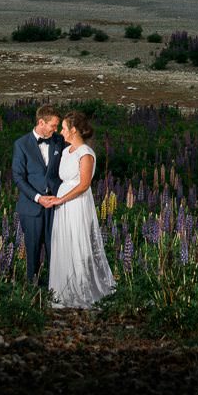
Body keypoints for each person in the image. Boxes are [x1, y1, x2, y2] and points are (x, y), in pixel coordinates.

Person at [44, 109, 116, 308]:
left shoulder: (86, 153)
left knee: (78, 242)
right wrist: (55, 197)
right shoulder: (67, 151)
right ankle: (63, 292)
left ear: (74, 130)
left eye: (65, 128)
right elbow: (64, 179)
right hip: (63, 202)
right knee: (64, 242)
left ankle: (83, 288)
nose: (61, 132)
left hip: (76, 204)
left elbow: (83, 185)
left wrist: (62, 199)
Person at [12, 103, 64, 286]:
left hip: (57, 206)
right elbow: (18, 177)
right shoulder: (21, 144)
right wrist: (38, 198)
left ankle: (54, 291)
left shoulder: (59, 140)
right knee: (32, 251)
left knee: (56, 251)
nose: (56, 129)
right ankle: (32, 291)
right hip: (32, 207)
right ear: (41, 122)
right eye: (53, 125)